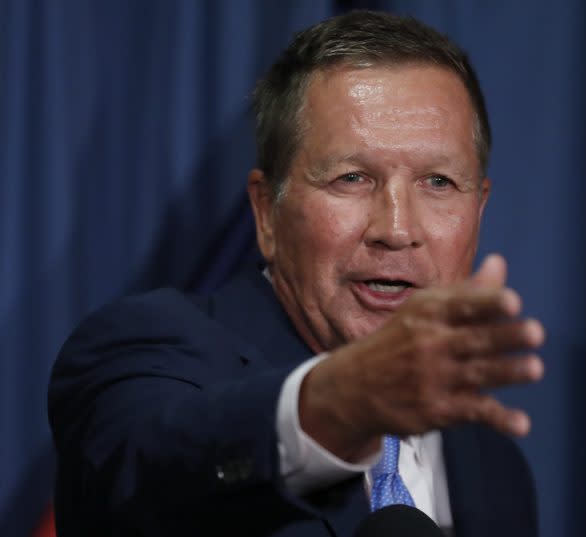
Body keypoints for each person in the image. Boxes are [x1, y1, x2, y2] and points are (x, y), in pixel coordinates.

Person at [49, 10, 545, 537]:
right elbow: (138, 469)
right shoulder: (146, 351)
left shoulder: (493, 466)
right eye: (351, 178)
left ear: (480, 210)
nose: (397, 229)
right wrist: (335, 405)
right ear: (266, 213)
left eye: (439, 183)